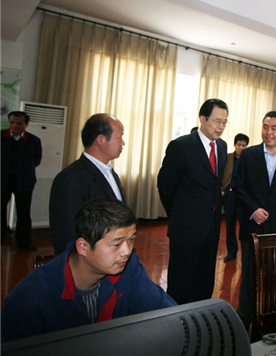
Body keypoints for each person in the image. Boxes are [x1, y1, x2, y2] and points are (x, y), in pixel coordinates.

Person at [1, 199, 176, 342]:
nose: (127, 251)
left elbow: (166, 314)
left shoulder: (129, 267)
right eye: (116, 244)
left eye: (131, 240)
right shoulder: (27, 300)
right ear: (83, 247)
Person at [233, 111, 276, 329]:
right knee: (249, 278)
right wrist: (253, 209)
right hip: (253, 227)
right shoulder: (249, 155)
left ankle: (271, 322)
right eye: (265, 127)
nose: (269, 132)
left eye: (274, 128)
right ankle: (243, 320)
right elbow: (238, 186)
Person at [157, 99, 228, 304]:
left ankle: (200, 317)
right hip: (186, 229)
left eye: (224, 122)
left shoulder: (222, 146)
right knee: (181, 283)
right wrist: (179, 215)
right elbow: (165, 186)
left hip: (211, 228)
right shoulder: (181, 146)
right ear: (202, 119)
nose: (221, 127)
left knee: (204, 282)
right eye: (217, 121)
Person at [49, 114, 126, 255]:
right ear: (101, 139)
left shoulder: (110, 173)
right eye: (119, 137)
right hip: (90, 261)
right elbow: (66, 234)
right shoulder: (70, 178)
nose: (123, 143)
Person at [1, 111, 42, 250]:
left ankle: (23, 241)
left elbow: (36, 160)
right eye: (12, 122)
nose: (14, 126)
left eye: (19, 123)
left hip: (24, 182)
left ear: (26, 124)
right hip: (2, 181)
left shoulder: (33, 141)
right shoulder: (1, 137)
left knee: (23, 213)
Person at [221, 133, 249, 262]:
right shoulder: (227, 158)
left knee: (244, 223)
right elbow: (220, 174)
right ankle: (232, 251)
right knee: (230, 223)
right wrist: (222, 189)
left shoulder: (249, 159)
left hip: (243, 195)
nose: (241, 148)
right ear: (234, 145)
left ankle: (246, 251)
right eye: (239, 145)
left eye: (244, 145)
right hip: (230, 193)